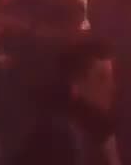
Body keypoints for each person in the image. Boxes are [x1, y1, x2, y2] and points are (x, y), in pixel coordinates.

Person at [14, 35, 118, 165]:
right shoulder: (61, 135)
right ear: (75, 85)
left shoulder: (97, 131)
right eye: (101, 79)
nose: (112, 87)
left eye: (111, 78)